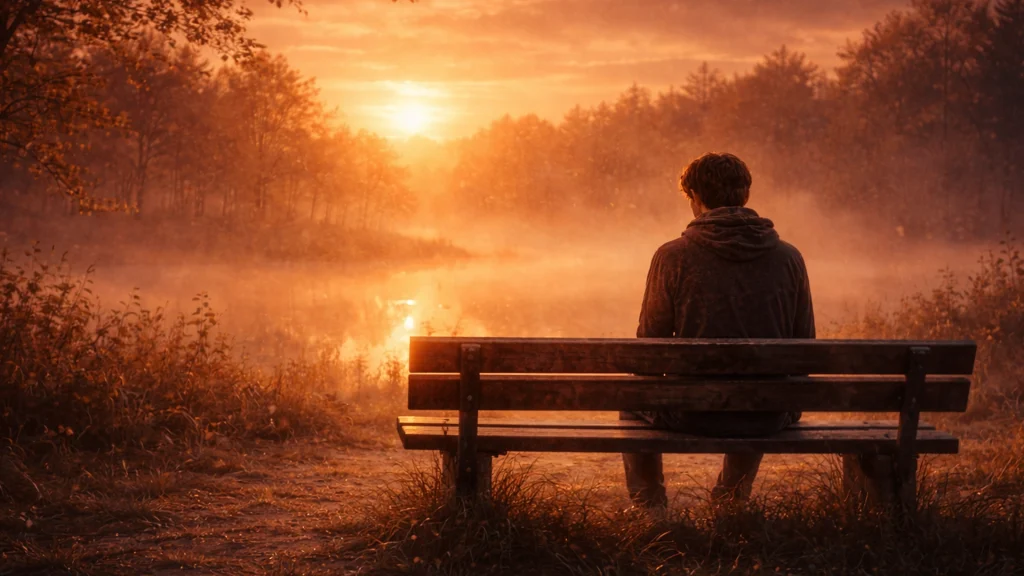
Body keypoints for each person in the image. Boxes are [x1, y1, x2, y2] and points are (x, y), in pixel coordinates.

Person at [623, 152, 816, 508]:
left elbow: (649, 347)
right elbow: (805, 343)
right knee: (761, 391)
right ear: (745, 194)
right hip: (766, 414)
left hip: (690, 412)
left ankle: (651, 510)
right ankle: (731, 496)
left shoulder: (672, 256)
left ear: (696, 196)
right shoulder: (789, 258)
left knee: (628, 400)